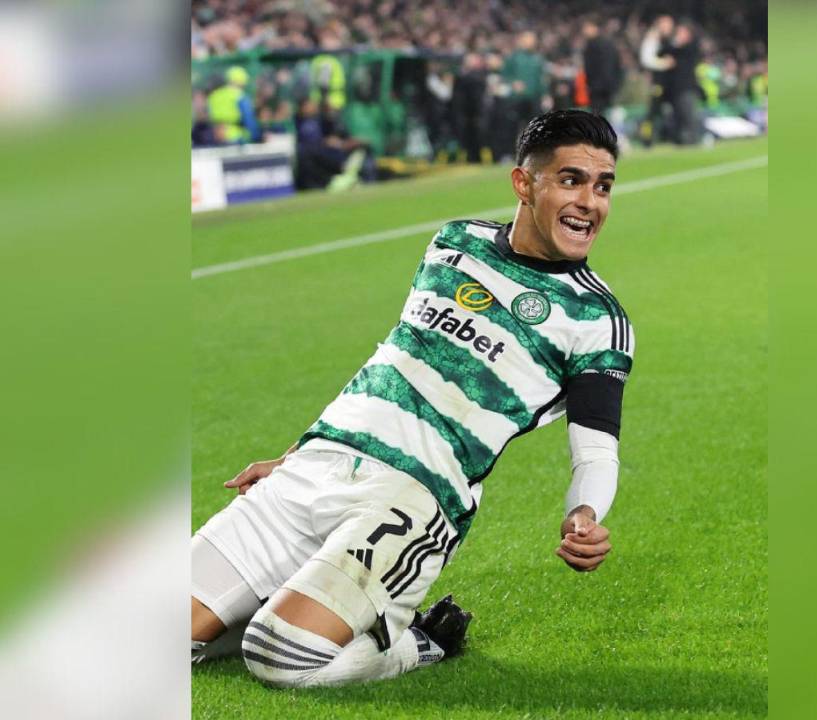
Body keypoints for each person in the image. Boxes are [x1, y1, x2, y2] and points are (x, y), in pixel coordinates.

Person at [191, 110, 634, 689]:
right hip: (317, 467)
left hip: (411, 497)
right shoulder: (454, 242)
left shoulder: (596, 319)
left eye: (602, 186)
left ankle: (422, 643)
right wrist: (295, 453)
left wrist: (585, 514)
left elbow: (596, 450)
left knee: (278, 655)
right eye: (571, 180)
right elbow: (395, 362)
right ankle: (293, 599)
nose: (589, 202)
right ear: (524, 184)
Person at [638, 14, 676, 148]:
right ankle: (646, 139)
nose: (668, 27)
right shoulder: (652, 38)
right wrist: (664, 63)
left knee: (668, 111)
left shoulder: (670, 39)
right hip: (658, 82)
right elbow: (646, 60)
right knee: (652, 112)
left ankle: (669, 136)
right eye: (665, 24)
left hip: (669, 82)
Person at [207, 65, 260, 144]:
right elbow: (249, 120)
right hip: (237, 137)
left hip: (216, 136)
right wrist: (257, 137)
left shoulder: (214, 96)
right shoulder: (240, 96)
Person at [582, 19, 623, 118]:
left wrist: (594, 85)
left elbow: (597, 68)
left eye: (587, 27)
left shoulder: (595, 45)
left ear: (595, 27)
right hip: (607, 86)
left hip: (598, 88)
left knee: (597, 116)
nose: (584, 30)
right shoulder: (609, 43)